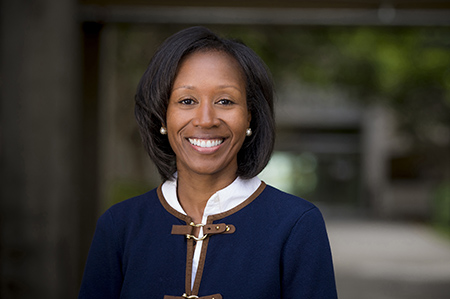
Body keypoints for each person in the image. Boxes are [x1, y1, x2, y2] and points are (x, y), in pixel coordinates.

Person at [79, 26, 337, 299]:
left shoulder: (296, 225)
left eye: (225, 101)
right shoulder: (119, 226)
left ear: (249, 117)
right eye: (187, 100)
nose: (205, 119)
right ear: (162, 116)